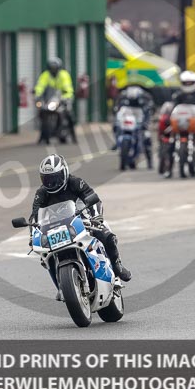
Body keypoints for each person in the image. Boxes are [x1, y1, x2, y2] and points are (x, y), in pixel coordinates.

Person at [29, 155, 132, 296]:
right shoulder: (41, 193)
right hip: (55, 227)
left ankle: (116, 265)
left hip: (81, 219)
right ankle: (61, 286)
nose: (51, 183)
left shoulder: (75, 182)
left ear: (64, 172)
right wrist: (33, 234)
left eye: (55, 177)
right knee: (45, 255)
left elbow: (93, 198)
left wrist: (97, 217)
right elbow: (34, 216)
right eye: (47, 179)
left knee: (107, 235)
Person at [167, 70, 195, 176]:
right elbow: (173, 110)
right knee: (170, 144)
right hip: (179, 124)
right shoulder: (177, 96)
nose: (188, 85)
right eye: (186, 83)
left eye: (190, 83)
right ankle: (168, 169)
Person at [34, 58, 76, 144]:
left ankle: (73, 135)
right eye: (51, 68)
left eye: (55, 68)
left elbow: (68, 87)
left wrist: (66, 96)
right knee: (42, 112)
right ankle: (43, 135)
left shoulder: (63, 75)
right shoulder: (45, 75)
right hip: (50, 99)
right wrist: (37, 95)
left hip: (62, 98)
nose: (53, 70)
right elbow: (40, 86)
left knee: (68, 114)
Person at [111, 85, 155, 167]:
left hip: (139, 122)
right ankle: (117, 143)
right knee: (115, 127)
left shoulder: (144, 101)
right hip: (128, 122)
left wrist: (145, 123)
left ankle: (149, 161)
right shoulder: (123, 100)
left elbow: (148, 113)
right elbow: (118, 111)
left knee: (146, 137)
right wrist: (117, 121)